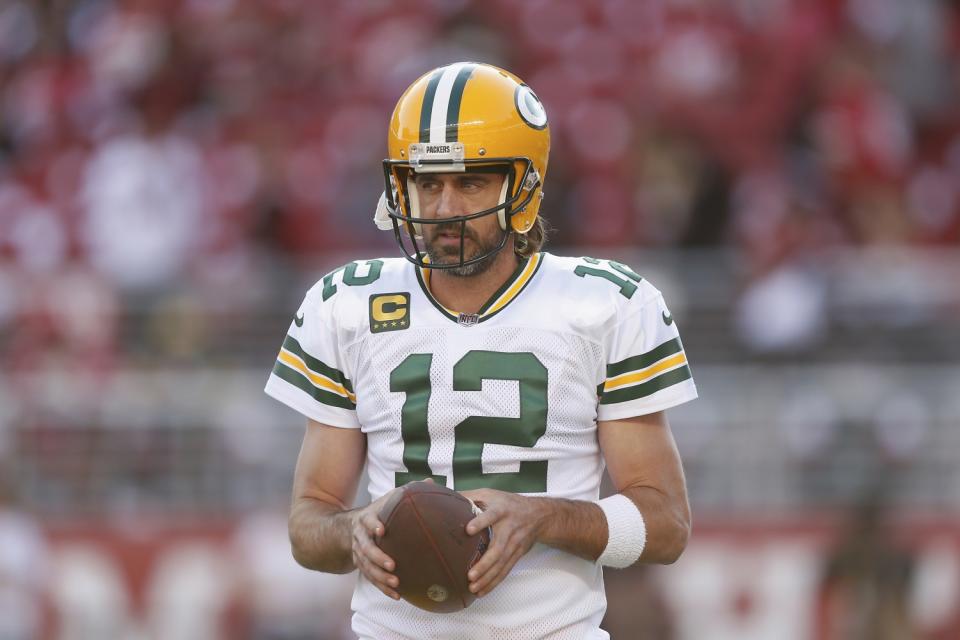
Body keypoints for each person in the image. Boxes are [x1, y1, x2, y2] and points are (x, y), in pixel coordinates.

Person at [264, 61, 698, 640]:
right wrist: (355, 533)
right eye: (427, 183)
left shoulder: (605, 304)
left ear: (521, 187)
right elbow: (308, 525)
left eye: (469, 182)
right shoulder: (347, 304)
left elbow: (665, 525)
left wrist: (540, 518)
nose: (443, 209)